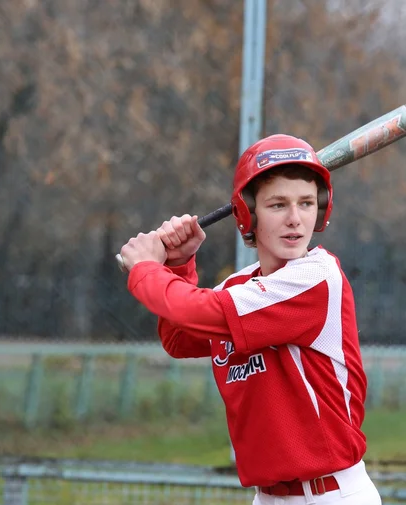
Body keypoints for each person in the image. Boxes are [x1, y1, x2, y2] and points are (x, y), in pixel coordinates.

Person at [120, 134, 382, 505]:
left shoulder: (316, 278)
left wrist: (147, 268)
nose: (295, 219)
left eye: (306, 203)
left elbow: (198, 310)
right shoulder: (240, 287)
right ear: (247, 213)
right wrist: (177, 266)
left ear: (321, 209)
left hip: (330, 494)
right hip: (267, 497)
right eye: (277, 205)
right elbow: (180, 338)